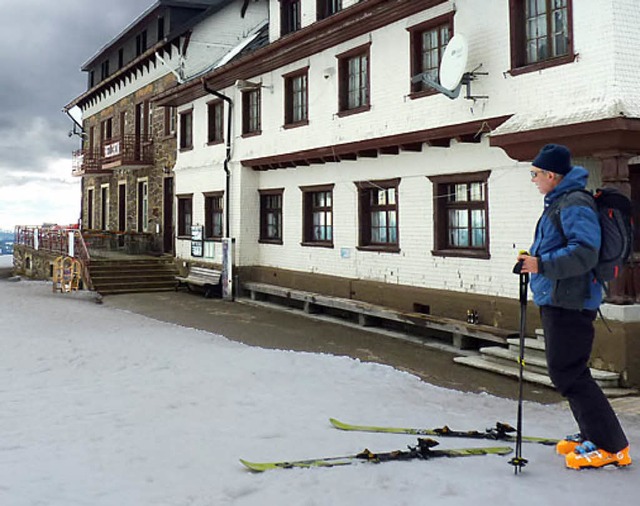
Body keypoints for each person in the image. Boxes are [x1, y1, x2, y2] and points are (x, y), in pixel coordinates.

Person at [517, 143, 631, 470]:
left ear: (552, 175)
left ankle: (612, 446)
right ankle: (592, 434)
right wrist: (535, 261)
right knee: (569, 371)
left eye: (535, 174)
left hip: (571, 300)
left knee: (569, 373)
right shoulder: (561, 202)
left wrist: (541, 264)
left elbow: (584, 253)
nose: (534, 179)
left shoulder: (574, 204)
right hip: (559, 297)